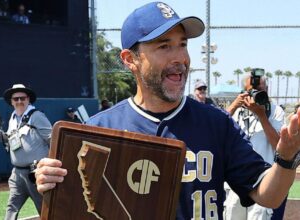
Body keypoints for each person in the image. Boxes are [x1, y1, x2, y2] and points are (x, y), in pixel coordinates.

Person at [34, 2, 300, 219]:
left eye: (182, 44)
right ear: (130, 59)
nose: (180, 58)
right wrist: (53, 182)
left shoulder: (217, 123)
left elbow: (268, 195)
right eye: (164, 46)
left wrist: (286, 158)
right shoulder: (97, 130)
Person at [224, 74, 286, 220]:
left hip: (262, 180)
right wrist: (234, 105)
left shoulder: (276, 111)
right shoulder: (238, 109)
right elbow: (216, 128)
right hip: (235, 180)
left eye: (260, 89)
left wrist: (262, 116)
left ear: (267, 89)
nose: (255, 94)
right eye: (251, 90)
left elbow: (278, 146)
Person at [0, 84, 51, 220]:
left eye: (22, 98)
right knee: (11, 207)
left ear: (28, 99)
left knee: (45, 209)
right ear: (11, 101)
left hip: (36, 173)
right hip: (17, 174)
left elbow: (52, 139)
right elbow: (9, 142)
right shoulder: (13, 118)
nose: (19, 101)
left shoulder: (37, 116)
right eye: (16, 99)